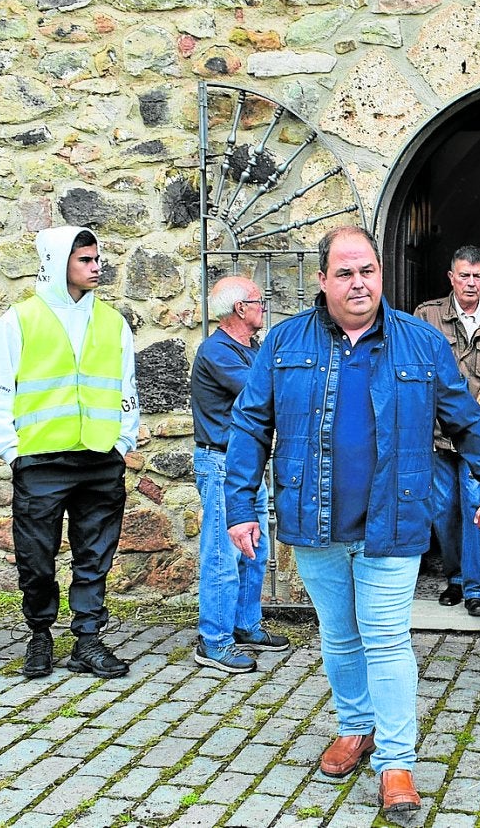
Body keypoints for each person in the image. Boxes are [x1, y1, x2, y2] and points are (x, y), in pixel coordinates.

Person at [224, 226, 480, 820]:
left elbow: (465, 420)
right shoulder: (283, 342)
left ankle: (398, 760)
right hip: (314, 520)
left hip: (394, 519)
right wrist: (241, 506)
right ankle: (356, 726)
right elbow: (251, 425)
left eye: (369, 272)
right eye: (346, 273)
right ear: (323, 280)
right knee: (339, 635)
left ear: (381, 275)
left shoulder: (420, 344)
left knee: (385, 638)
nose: (360, 283)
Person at [0, 226, 140, 680]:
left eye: (97, 259)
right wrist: (10, 451)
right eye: (85, 260)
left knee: (96, 555)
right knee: (36, 556)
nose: (97, 267)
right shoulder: (18, 321)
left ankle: (87, 640)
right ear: (57, 264)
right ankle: (40, 636)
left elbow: (126, 386)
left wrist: (123, 441)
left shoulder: (113, 321)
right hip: (40, 460)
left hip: (99, 458)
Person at [189, 276, 291, 674]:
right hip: (220, 463)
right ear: (239, 309)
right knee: (222, 553)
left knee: (255, 549)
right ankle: (213, 640)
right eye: (258, 300)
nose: (263, 306)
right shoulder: (217, 352)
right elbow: (261, 392)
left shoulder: (252, 348)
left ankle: (245, 625)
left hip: (244, 464)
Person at [414, 246, 480, 616]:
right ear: (451, 277)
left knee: (476, 505)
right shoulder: (427, 315)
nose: (470, 282)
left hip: (478, 435)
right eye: (464, 275)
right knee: (443, 509)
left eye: (477, 276)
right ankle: (453, 577)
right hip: (435, 432)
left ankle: (475, 587)